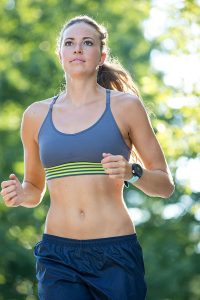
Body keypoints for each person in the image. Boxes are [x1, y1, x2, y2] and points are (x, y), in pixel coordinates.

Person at [0, 15, 174, 300]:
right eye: (69, 43)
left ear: (101, 55)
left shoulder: (126, 107)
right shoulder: (35, 115)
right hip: (58, 256)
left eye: (87, 43)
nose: (77, 49)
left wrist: (133, 172)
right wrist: (21, 194)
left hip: (115, 253)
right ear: (60, 55)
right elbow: (34, 189)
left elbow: (165, 185)